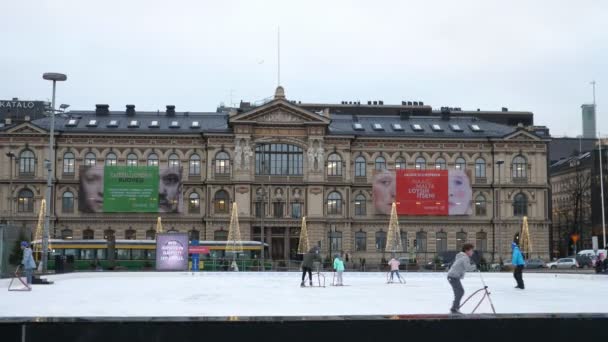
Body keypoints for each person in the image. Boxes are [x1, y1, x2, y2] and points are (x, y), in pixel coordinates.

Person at [447, 243, 477, 314]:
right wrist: (475, 266)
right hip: (453, 276)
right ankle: (454, 308)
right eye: (471, 250)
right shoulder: (465, 257)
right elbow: (468, 268)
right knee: (460, 292)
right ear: (467, 251)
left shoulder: (461, 256)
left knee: (459, 292)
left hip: (452, 276)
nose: (472, 252)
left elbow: (464, 266)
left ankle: (455, 308)